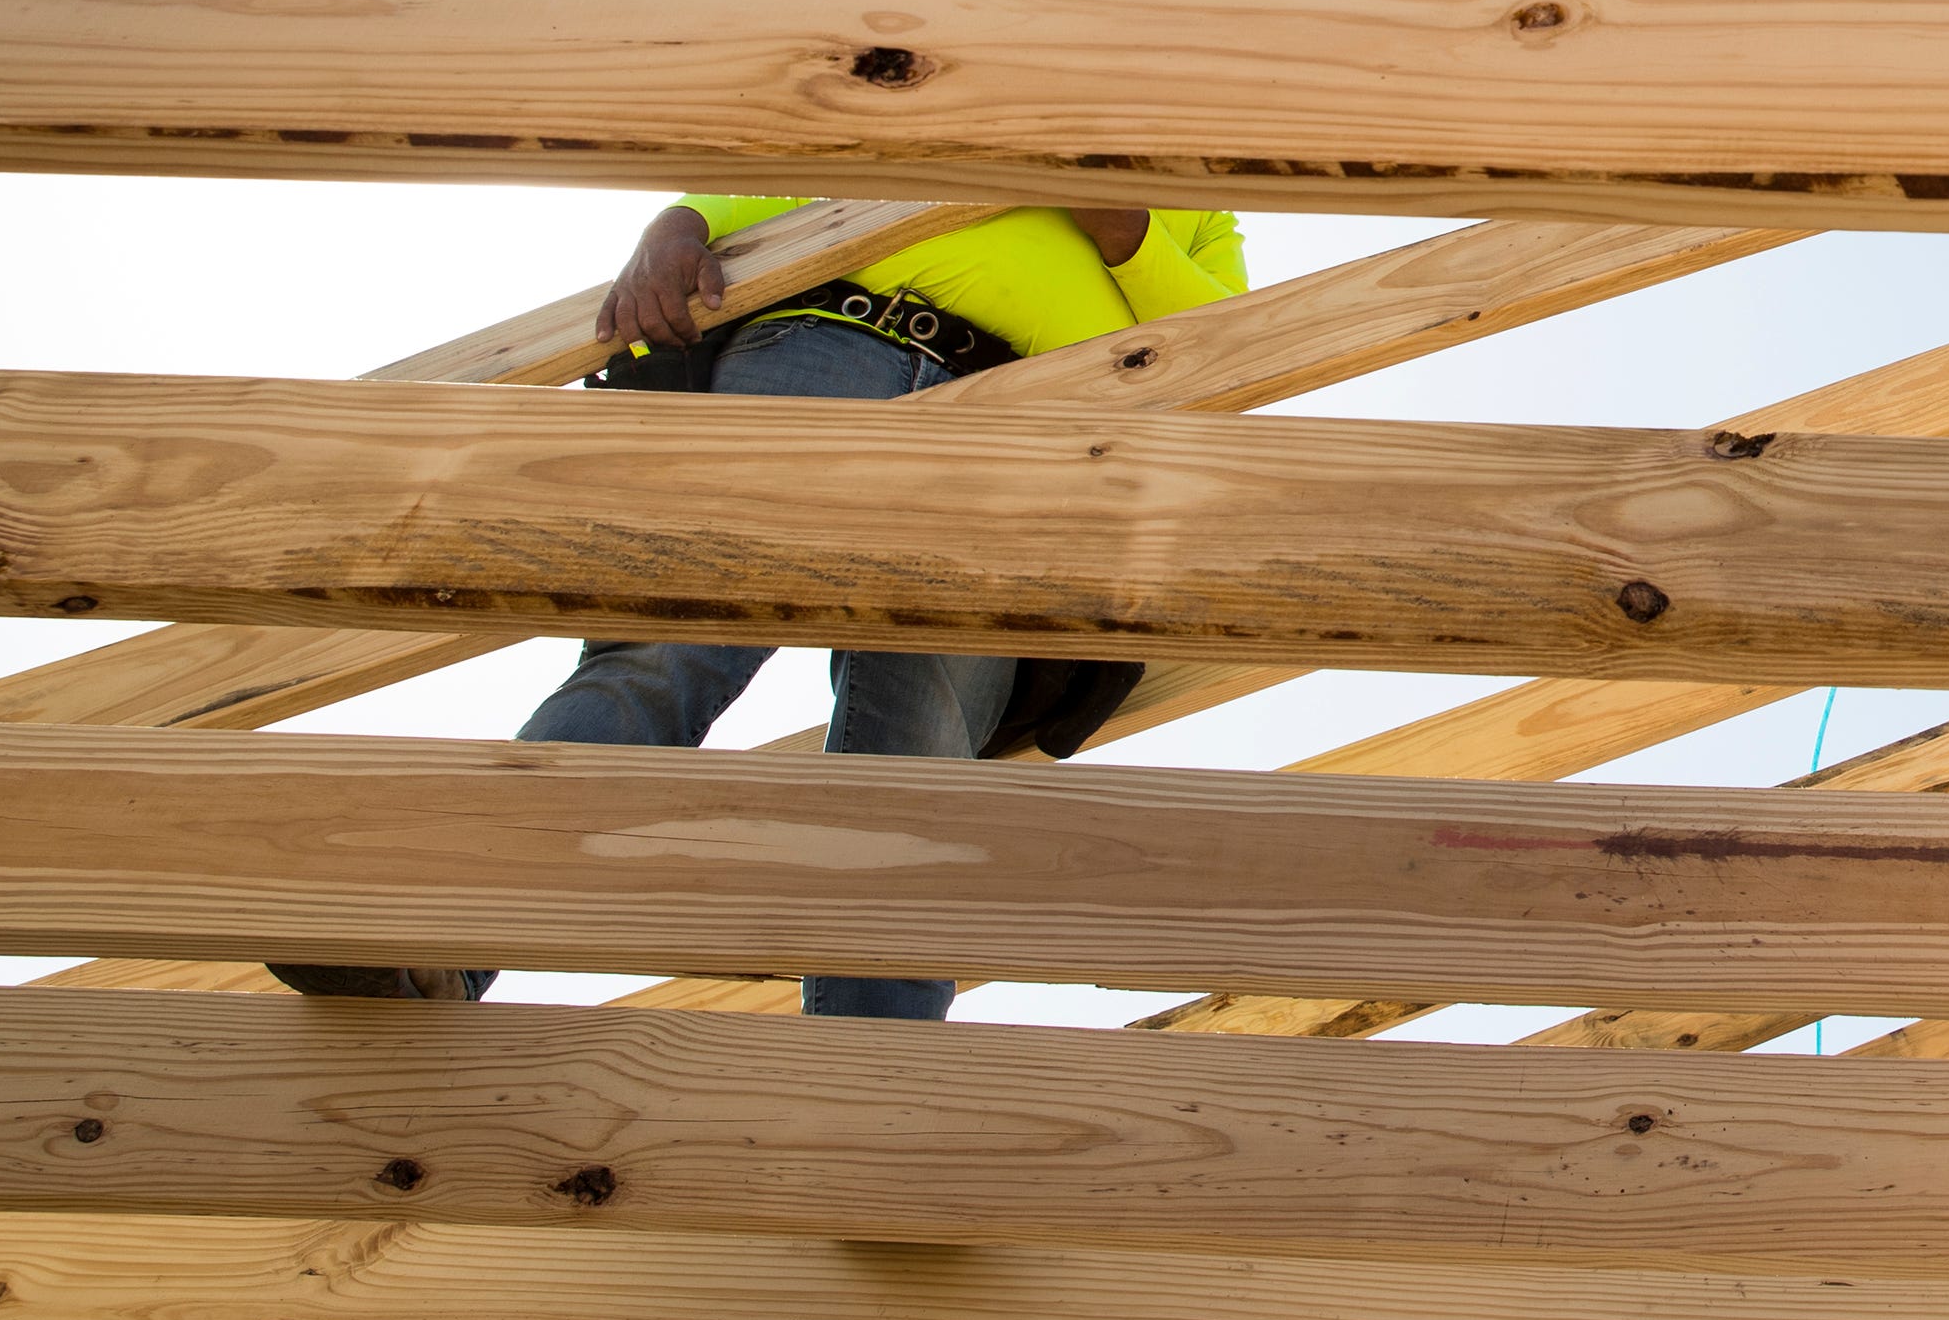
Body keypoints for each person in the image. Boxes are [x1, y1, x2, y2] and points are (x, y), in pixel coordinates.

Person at [272, 194, 1245, 1020]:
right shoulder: (950, 89)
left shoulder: (1182, 189)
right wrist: (677, 218)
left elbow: (1230, 342)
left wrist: (1129, 228)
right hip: (826, 345)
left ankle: (874, 1105)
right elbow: (766, 190)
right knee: (664, 655)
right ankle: (429, 933)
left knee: (922, 757)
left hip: (1025, 436)